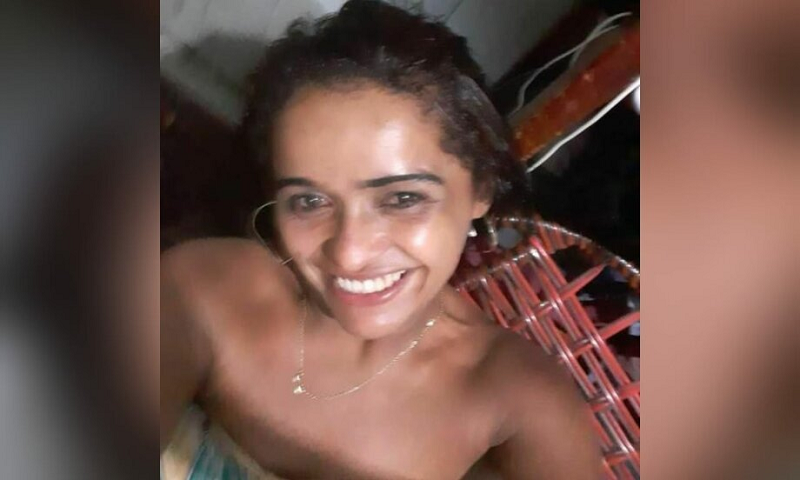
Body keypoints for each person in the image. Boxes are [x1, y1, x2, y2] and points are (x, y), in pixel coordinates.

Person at [161, 1, 599, 478]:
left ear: (480, 190)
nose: (349, 253)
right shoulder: (205, 291)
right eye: (308, 201)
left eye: (403, 198)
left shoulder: (519, 400)